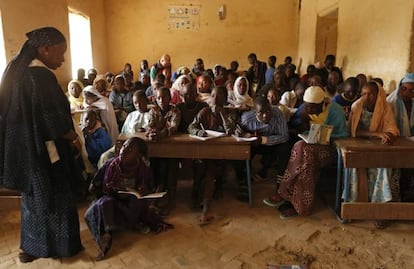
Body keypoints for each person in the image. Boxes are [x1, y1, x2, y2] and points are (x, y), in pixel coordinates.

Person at [0, 27, 83, 263]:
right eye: (61, 52)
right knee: (58, 195)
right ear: (45, 49)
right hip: (46, 150)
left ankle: (30, 247)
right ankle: (61, 246)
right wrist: (73, 137)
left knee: (33, 197)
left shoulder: (15, 69)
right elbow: (53, 120)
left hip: (23, 148)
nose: (63, 58)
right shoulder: (40, 76)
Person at [263, 86, 349, 218]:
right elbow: (297, 126)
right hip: (309, 148)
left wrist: (326, 136)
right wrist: (304, 121)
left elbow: (343, 135)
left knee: (304, 150)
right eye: (306, 106)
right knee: (305, 156)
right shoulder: (304, 110)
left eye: (312, 107)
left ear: (322, 103)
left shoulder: (335, 111)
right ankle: (300, 205)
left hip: (331, 150)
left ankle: (285, 193)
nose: (308, 110)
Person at [85, 137, 173, 261]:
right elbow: (94, 187)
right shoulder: (111, 164)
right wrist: (110, 191)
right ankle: (105, 236)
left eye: (130, 149)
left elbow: (149, 188)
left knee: (136, 202)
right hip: (111, 199)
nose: (124, 150)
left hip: (130, 203)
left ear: (139, 155)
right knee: (105, 203)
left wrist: (145, 190)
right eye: (124, 146)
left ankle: (128, 223)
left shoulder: (143, 169)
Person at [347, 81, 400, 228]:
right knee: (352, 164)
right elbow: (354, 131)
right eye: (363, 93)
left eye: (370, 94)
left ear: (378, 95)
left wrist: (388, 135)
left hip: (377, 148)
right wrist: (376, 134)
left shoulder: (385, 107)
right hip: (358, 148)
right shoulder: (357, 107)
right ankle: (355, 207)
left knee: (384, 165)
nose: (367, 97)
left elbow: (391, 128)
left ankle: (381, 211)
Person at [188, 86, 236, 224]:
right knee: (202, 167)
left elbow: (231, 130)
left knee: (210, 169)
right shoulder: (205, 111)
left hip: (220, 152)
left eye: (219, 96)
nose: (215, 98)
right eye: (213, 95)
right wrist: (198, 132)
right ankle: (197, 192)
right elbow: (191, 127)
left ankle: (206, 207)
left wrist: (222, 114)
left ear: (225, 99)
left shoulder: (229, 113)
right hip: (204, 150)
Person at [147, 87, 181, 214]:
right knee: (156, 166)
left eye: (164, 97)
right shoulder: (153, 111)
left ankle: (171, 200)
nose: (161, 100)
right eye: (159, 98)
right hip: (157, 147)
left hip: (173, 148)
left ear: (170, 98)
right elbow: (150, 126)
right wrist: (151, 133)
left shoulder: (175, 111)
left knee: (171, 167)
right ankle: (156, 197)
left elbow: (173, 127)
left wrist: (161, 133)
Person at [239, 96, 290, 181]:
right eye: (261, 112)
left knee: (284, 148)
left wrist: (263, 140)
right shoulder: (246, 119)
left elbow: (284, 136)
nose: (265, 115)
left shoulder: (278, 114)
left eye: (268, 110)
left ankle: (280, 179)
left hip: (271, 143)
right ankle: (244, 176)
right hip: (254, 145)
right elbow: (239, 134)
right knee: (242, 151)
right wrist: (245, 135)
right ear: (255, 112)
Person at [387, 73, 414, 202]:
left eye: (412, 91)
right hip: (395, 143)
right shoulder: (390, 103)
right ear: (399, 87)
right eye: (404, 89)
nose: (407, 93)